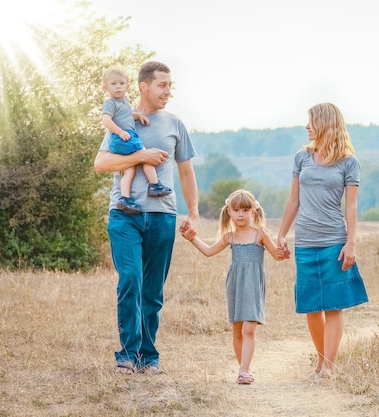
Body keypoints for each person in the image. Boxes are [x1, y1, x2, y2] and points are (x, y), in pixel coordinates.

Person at [94, 61, 199, 375]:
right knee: (130, 280)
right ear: (143, 86)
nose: (168, 91)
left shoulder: (174, 124)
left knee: (152, 290)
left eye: (169, 85)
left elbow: (186, 171)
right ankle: (126, 355)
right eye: (162, 85)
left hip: (162, 215)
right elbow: (101, 163)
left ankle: (148, 358)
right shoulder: (121, 117)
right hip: (125, 215)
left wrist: (193, 213)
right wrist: (140, 156)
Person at [277, 102, 368, 377]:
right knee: (311, 306)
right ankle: (320, 360)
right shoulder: (301, 158)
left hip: (334, 242)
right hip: (305, 241)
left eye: (311, 121)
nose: (306, 126)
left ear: (325, 123)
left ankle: (328, 366)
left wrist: (350, 243)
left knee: (333, 306)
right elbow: (294, 200)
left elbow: (350, 207)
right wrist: (281, 233)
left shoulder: (349, 162)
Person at [181, 189, 284, 385]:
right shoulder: (230, 236)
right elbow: (209, 251)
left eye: (245, 210)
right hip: (235, 285)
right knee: (237, 331)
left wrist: (283, 250)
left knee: (249, 329)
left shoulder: (260, 234)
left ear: (253, 211)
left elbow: (277, 256)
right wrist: (191, 238)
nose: (240, 214)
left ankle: (243, 370)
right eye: (236, 210)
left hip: (253, 284)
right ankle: (244, 369)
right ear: (229, 211)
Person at [101, 65, 172, 215]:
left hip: (124, 137)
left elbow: (125, 116)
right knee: (146, 156)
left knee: (129, 170)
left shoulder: (124, 101)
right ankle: (154, 185)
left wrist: (137, 116)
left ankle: (125, 198)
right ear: (105, 87)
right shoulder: (111, 102)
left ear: (127, 86)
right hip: (123, 137)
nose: (118, 87)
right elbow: (106, 120)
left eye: (121, 83)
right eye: (113, 84)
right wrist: (120, 132)